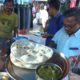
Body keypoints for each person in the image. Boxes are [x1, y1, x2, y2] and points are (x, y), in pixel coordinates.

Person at [49, 8, 80, 80]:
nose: (65, 28)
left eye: (69, 26)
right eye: (64, 25)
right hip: (56, 67)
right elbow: (54, 41)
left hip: (72, 74)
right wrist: (49, 49)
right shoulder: (63, 30)